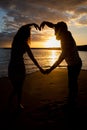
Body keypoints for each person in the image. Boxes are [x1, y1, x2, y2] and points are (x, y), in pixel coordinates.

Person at [40, 21, 82, 107]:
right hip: (72, 64)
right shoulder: (63, 32)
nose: (55, 33)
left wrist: (50, 69)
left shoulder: (66, 39)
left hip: (75, 65)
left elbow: (61, 58)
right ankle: (73, 99)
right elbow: (53, 25)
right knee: (73, 83)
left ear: (61, 31)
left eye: (56, 31)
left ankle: (72, 102)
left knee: (72, 84)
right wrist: (44, 22)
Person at [8, 23, 44, 110]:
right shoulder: (16, 40)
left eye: (29, 33)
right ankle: (10, 100)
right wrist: (33, 24)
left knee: (19, 87)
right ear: (23, 33)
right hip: (13, 67)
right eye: (28, 33)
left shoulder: (25, 45)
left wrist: (40, 68)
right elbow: (22, 27)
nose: (29, 35)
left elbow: (32, 58)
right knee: (16, 87)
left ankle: (18, 103)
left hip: (20, 67)